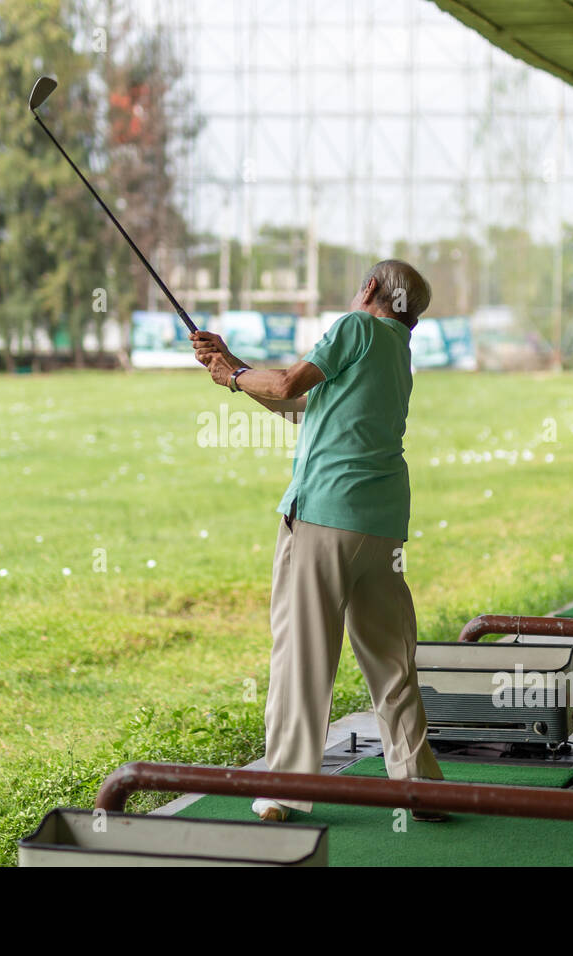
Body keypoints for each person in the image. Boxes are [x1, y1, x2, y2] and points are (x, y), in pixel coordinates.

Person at [190, 260, 444, 823]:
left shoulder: (354, 327)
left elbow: (283, 384)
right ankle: (421, 788)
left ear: (370, 289)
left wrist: (233, 376)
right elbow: (295, 403)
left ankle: (283, 790)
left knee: (301, 661)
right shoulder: (397, 351)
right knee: (391, 664)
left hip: (324, 518)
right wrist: (230, 366)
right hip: (380, 528)